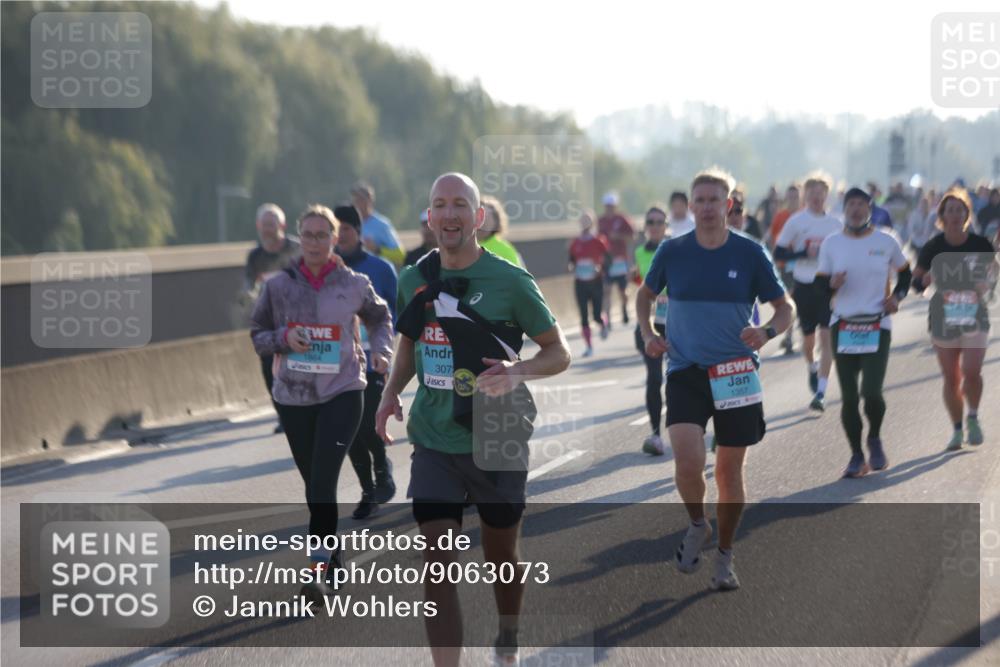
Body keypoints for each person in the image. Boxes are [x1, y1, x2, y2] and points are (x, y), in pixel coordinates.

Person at [376, 172, 571, 667]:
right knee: (437, 561)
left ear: (478, 217)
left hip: (499, 430)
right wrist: (389, 394)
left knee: (501, 556)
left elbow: (559, 352)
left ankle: (508, 634)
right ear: (429, 216)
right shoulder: (413, 279)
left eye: (460, 204)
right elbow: (408, 344)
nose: (449, 214)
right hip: (436, 436)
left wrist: (518, 370)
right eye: (439, 204)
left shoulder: (510, 281)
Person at [636, 167, 793, 592]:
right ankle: (696, 523)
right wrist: (650, 333)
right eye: (698, 200)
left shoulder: (749, 253)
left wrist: (767, 333)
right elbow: (645, 295)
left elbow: (784, 308)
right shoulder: (672, 251)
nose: (706, 207)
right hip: (686, 369)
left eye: (714, 200)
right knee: (687, 461)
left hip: (736, 373)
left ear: (728, 206)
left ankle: (725, 553)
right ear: (690, 206)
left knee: (728, 472)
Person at [250, 204, 393, 602]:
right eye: (308, 235)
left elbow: (381, 319)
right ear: (299, 237)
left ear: (335, 239)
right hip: (294, 397)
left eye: (322, 235)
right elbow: (258, 332)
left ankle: (316, 572)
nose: (314, 242)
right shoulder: (278, 286)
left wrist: (381, 351)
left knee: (323, 482)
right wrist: (283, 340)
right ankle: (333, 558)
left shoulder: (353, 282)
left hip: (343, 391)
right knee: (315, 488)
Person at [815, 188, 912, 478]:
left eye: (861, 204)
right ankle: (857, 455)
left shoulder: (886, 240)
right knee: (848, 397)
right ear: (844, 209)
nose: (856, 209)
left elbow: (905, 274)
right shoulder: (832, 243)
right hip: (843, 324)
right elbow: (820, 287)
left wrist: (897, 297)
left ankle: (875, 437)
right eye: (851, 204)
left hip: (877, 324)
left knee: (871, 392)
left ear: (870, 208)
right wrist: (832, 283)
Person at [912, 187, 997, 451]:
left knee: (972, 371)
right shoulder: (933, 247)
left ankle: (972, 416)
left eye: (960, 210)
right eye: (950, 210)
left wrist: (987, 282)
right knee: (951, 378)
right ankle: (957, 430)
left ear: (966, 215)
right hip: (943, 315)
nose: (955, 215)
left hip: (974, 314)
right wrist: (923, 281)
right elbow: (915, 281)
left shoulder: (980, 244)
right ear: (942, 216)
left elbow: (994, 272)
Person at [333, 204, 399, 520]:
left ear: (358, 232)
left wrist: (383, 347)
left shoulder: (382, 268)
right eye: (336, 229)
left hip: (373, 358)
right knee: (347, 430)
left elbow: (394, 313)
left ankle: (381, 465)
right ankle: (368, 491)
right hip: (336, 363)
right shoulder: (323, 272)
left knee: (368, 421)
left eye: (346, 228)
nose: (340, 235)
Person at [774, 173, 843, 411]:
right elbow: (779, 254)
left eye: (821, 194)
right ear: (806, 196)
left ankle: (821, 393)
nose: (816, 198)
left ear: (826, 196)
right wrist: (803, 254)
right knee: (808, 340)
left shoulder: (836, 224)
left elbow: (845, 253)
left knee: (827, 339)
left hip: (827, 287)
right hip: (804, 285)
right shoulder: (796, 221)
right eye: (812, 194)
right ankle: (812, 366)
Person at [244, 203, 300, 434]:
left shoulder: (297, 248)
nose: (268, 229)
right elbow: (249, 285)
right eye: (264, 225)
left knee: (298, 367)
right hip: (269, 321)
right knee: (269, 367)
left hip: (298, 319)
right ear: (258, 227)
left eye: (272, 224)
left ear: (282, 225)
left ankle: (303, 410)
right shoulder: (255, 256)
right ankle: (284, 415)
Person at [633, 204, 669, 455]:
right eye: (651, 222)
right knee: (655, 378)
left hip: (679, 323)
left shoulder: (675, 249)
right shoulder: (639, 253)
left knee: (684, 378)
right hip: (651, 324)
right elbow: (643, 286)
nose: (655, 226)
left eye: (659, 222)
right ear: (645, 227)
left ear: (665, 226)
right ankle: (656, 434)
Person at [765, 184, 802, 355]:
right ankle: (788, 335)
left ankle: (792, 333)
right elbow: (774, 240)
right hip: (784, 264)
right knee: (789, 298)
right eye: (791, 196)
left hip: (802, 264)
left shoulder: (805, 215)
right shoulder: (781, 216)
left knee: (798, 298)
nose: (793, 199)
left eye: (796, 196)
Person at [569, 209, 610, 357]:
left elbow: (607, 259)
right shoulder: (575, 242)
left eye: (588, 220)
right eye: (582, 220)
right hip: (580, 282)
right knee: (583, 316)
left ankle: (603, 322)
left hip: (596, 282)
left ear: (592, 222)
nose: (585, 223)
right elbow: (571, 260)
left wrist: (601, 269)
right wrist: (571, 267)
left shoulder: (599, 240)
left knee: (596, 315)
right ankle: (589, 346)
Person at [598, 192, 636, 329]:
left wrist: (618, 236)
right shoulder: (601, 220)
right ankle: (607, 320)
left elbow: (632, 237)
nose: (609, 208)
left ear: (615, 206)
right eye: (607, 206)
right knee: (606, 290)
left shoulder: (622, 219)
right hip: (607, 261)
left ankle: (624, 309)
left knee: (622, 291)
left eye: (611, 206)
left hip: (621, 260)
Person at [350, 180, 406, 267]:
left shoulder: (382, 224)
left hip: (376, 274)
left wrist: (377, 250)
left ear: (370, 200)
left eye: (360, 199)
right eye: (355, 198)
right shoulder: (347, 224)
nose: (357, 202)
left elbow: (400, 255)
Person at [478, 195, 525, 267]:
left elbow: (518, 277)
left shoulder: (505, 250)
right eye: (480, 217)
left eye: (487, 218)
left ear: (496, 222)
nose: (483, 223)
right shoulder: (462, 247)